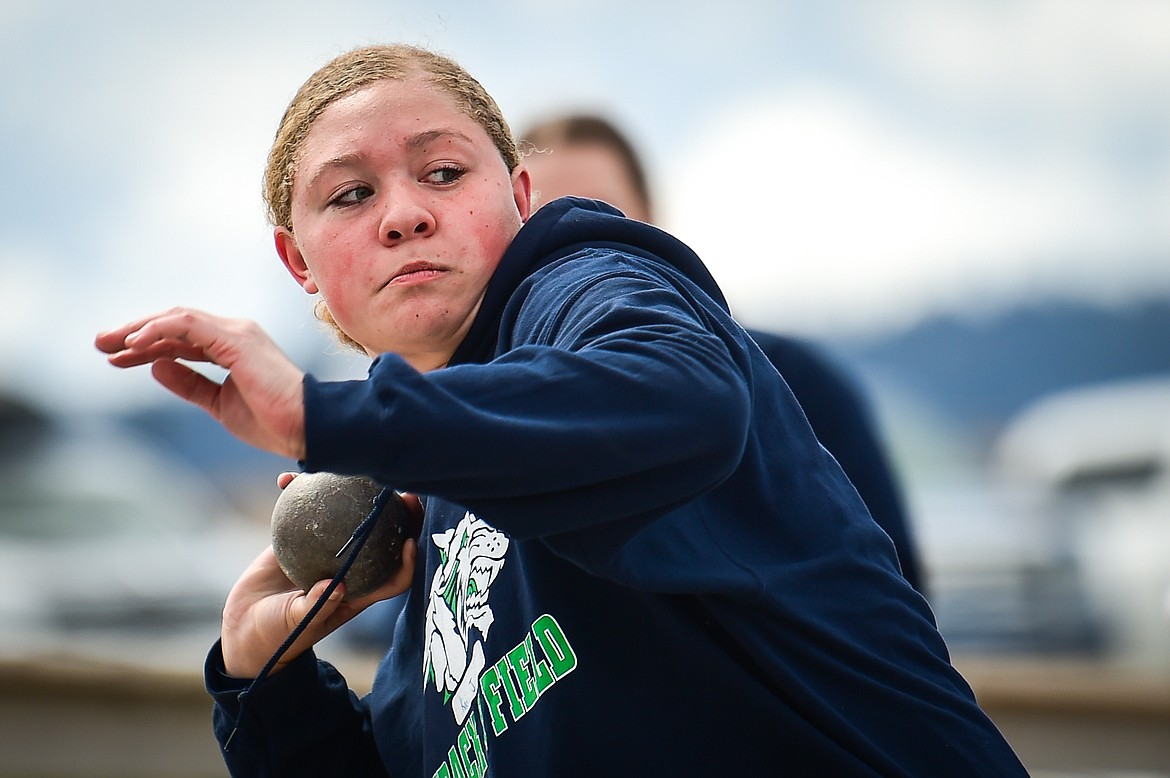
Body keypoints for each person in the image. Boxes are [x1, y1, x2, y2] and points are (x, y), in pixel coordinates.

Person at [95, 43, 1026, 776]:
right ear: (299, 264)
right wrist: (270, 679)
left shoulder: (588, 287)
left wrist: (324, 412)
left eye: (446, 173)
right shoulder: (429, 508)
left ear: (522, 196)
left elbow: (678, 393)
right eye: (350, 195)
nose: (404, 214)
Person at [518, 114, 926, 595]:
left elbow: (894, 583)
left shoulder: (794, 379)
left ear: (651, 222)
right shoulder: (483, 413)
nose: (572, 239)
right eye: (541, 220)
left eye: (599, 214)